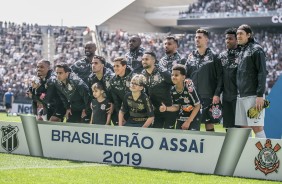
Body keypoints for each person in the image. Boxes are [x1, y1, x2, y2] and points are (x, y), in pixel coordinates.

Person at [185, 29, 223, 132]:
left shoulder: (214, 57)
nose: (197, 39)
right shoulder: (190, 57)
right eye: (196, 37)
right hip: (192, 97)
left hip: (208, 96)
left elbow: (220, 77)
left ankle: (211, 147)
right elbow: (186, 76)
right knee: (191, 123)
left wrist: (217, 94)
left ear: (206, 40)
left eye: (200, 37)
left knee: (209, 124)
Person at [235, 24, 267, 138]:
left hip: (254, 96)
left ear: (248, 35)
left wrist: (259, 95)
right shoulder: (242, 50)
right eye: (237, 34)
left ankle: (263, 154)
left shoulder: (257, 50)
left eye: (241, 34)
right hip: (242, 95)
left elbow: (262, 73)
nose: (238, 36)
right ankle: (246, 154)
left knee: (257, 127)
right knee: (244, 127)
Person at [142, 51, 177, 129]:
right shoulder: (143, 74)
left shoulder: (162, 72)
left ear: (153, 60)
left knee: (168, 135)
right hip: (156, 111)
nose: (144, 61)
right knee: (156, 134)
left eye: (146, 59)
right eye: (143, 59)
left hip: (169, 109)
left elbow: (176, 84)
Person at [160, 64, 201, 130]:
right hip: (181, 117)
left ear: (183, 77)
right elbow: (176, 107)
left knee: (192, 138)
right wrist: (166, 108)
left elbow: (197, 106)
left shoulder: (189, 88)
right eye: (172, 75)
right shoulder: (172, 90)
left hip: (193, 117)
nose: (173, 77)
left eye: (176, 75)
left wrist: (188, 121)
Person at [219, 28, 240, 131]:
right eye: (226, 38)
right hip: (226, 96)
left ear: (236, 40)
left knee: (240, 127)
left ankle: (244, 147)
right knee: (228, 127)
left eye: (230, 38)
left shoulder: (243, 54)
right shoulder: (222, 56)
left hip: (239, 96)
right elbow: (220, 77)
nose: (227, 41)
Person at [110, 57, 134, 125]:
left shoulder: (134, 77)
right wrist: (120, 115)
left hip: (137, 110)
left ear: (124, 66)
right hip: (123, 110)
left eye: (117, 66)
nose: (115, 68)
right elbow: (116, 100)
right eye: (114, 66)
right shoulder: (113, 80)